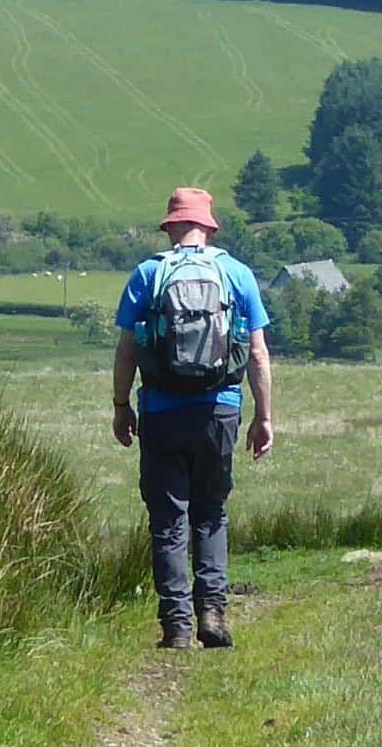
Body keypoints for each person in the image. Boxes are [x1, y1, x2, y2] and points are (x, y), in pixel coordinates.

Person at [113, 186, 274, 650]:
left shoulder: (148, 274)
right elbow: (258, 355)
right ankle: (212, 614)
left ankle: (177, 626)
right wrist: (264, 417)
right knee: (211, 514)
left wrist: (122, 407)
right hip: (219, 411)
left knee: (168, 520)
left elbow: (126, 351)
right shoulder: (237, 274)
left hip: (162, 412)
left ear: (170, 228)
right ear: (208, 226)